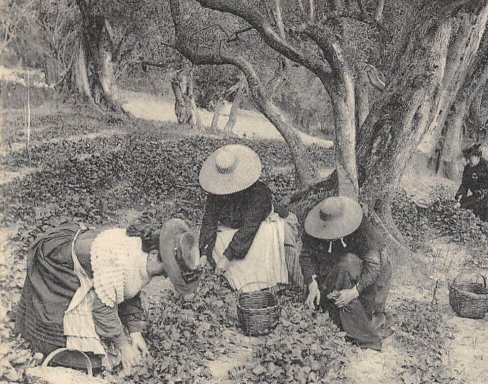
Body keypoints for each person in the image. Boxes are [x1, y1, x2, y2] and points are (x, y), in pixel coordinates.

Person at [13, 218, 201, 372]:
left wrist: (135, 333)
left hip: (83, 259)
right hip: (57, 261)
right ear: (153, 254)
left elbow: (129, 290)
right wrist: (123, 346)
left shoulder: (141, 258)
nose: (165, 275)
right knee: (76, 348)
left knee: (103, 341)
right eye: (165, 269)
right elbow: (102, 309)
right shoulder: (120, 261)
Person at [198, 144, 303, 293]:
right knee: (217, 241)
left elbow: (249, 228)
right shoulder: (215, 195)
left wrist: (227, 257)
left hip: (260, 224)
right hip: (236, 227)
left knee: (269, 236)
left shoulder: (258, 193)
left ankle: (268, 282)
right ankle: (233, 279)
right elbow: (209, 222)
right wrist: (203, 253)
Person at [300, 196, 393, 351]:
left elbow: (373, 266)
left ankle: (364, 318)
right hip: (341, 269)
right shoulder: (314, 226)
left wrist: (354, 292)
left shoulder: (364, 230)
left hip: (369, 276)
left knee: (364, 315)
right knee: (331, 297)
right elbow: (305, 255)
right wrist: (312, 283)